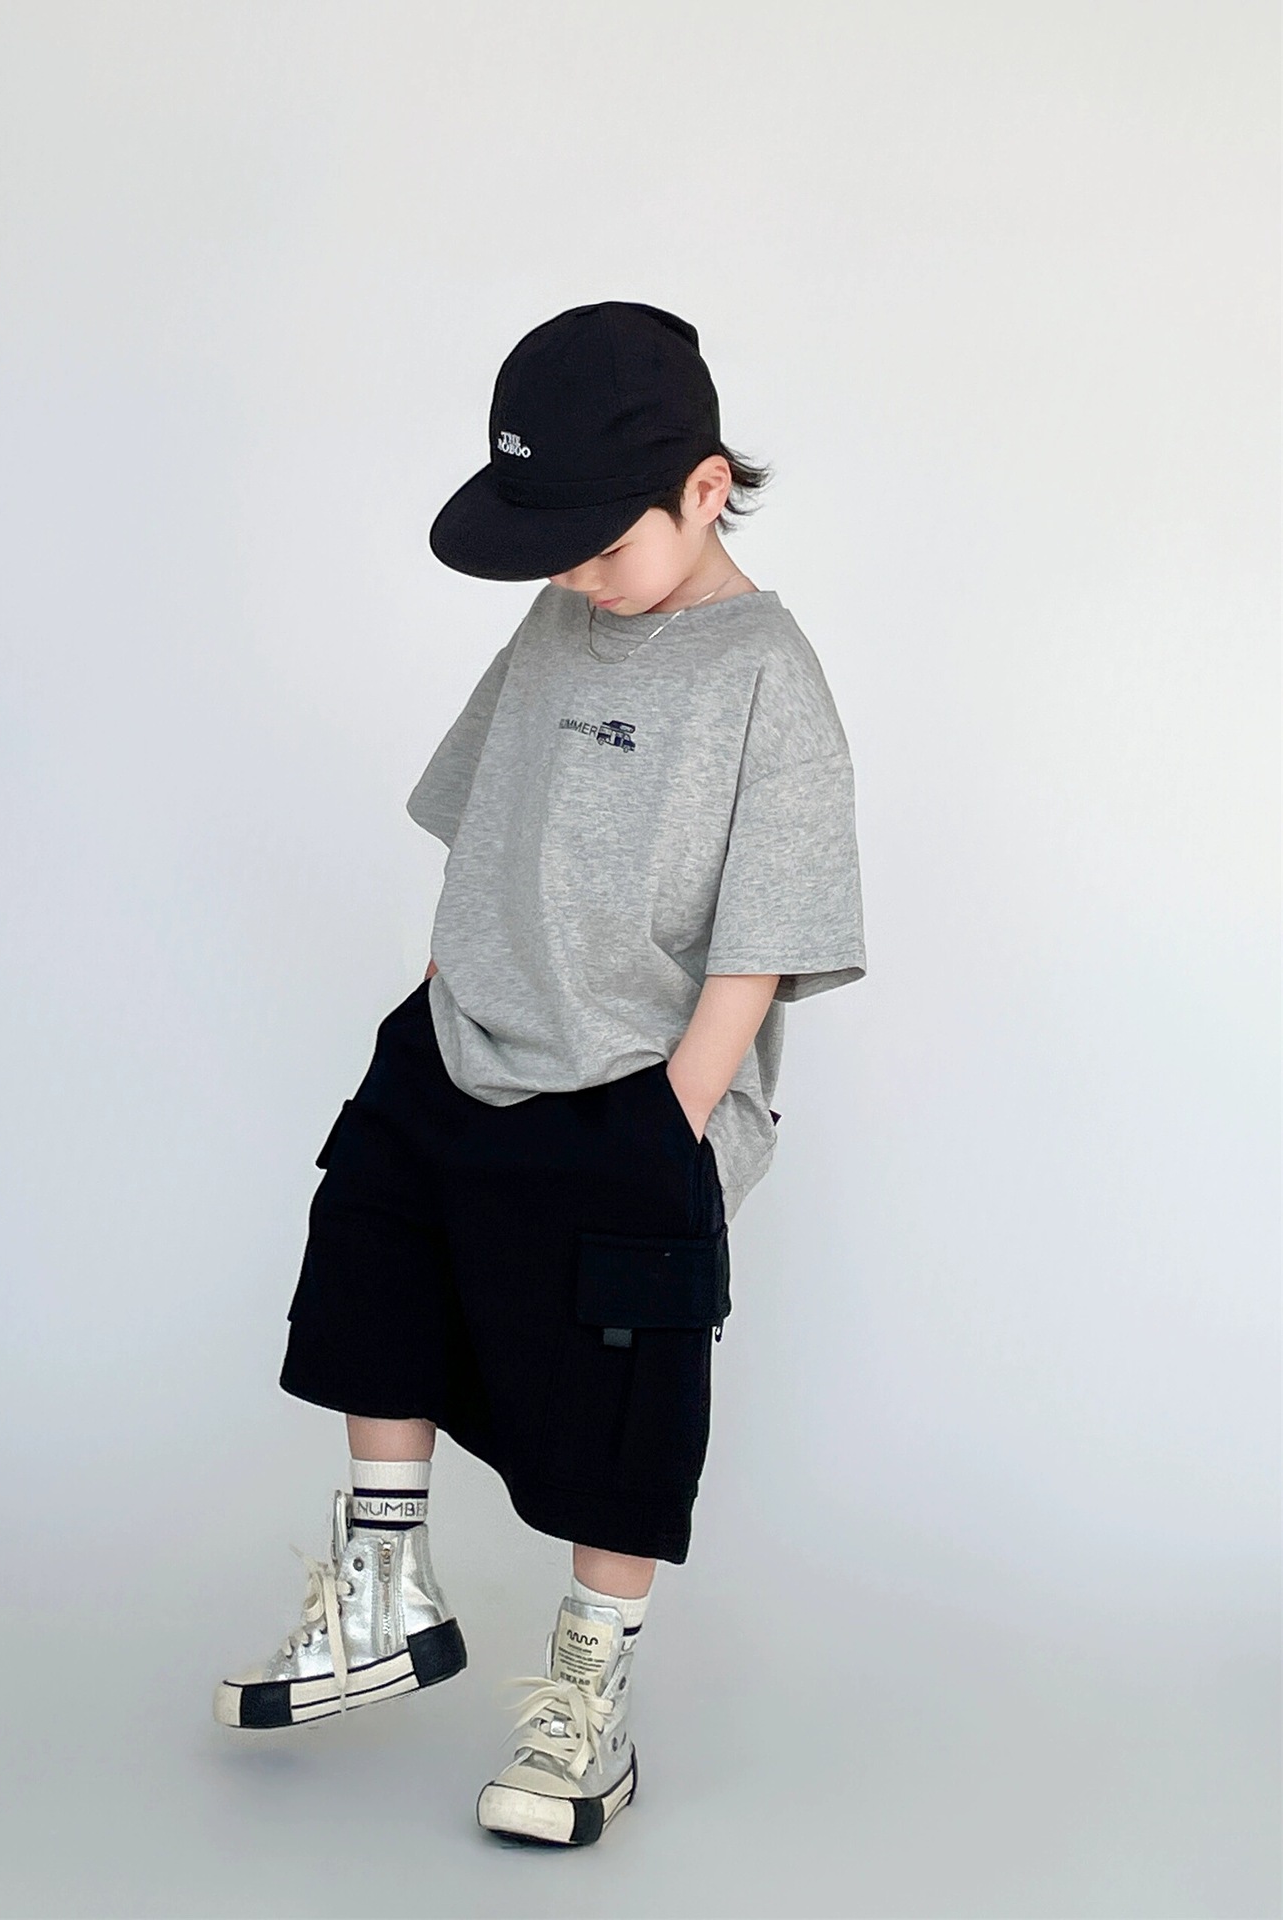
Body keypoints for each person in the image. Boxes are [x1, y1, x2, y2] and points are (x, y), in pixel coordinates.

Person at [213, 301, 867, 1847]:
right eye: (552, 546)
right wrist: (441, 993)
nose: (576, 574)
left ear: (705, 489)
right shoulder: (558, 618)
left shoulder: (765, 674)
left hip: (628, 1088)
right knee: (367, 1267)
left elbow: (760, 940)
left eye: (601, 543)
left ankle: (587, 1711)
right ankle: (384, 1592)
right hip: (463, 1040)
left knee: (615, 1406)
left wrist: (670, 1122)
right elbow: (486, 816)